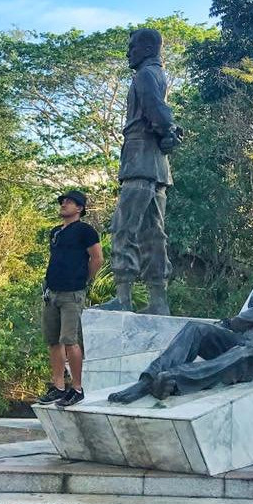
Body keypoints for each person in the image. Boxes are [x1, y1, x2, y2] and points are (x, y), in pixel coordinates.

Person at [108, 223, 253, 403]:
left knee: (227, 360)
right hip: (241, 339)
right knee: (196, 329)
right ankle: (147, 381)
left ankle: (171, 380)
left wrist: (230, 323)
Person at [101, 28, 182, 316]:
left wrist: (168, 129)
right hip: (156, 165)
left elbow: (156, 110)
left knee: (124, 228)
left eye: (132, 46)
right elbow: (162, 114)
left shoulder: (145, 75)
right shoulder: (157, 74)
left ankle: (123, 298)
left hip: (139, 161)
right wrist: (171, 132)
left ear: (147, 48)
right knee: (153, 234)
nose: (128, 52)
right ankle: (158, 301)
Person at [37, 190, 103, 407]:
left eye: (69, 202)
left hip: (72, 293)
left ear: (79, 208)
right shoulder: (56, 232)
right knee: (53, 341)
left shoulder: (85, 231)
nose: (63, 204)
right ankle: (58, 386)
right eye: (62, 201)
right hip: (52, 292)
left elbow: (97, 258)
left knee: (70, 340)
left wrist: (83, 280)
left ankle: (77, 388)